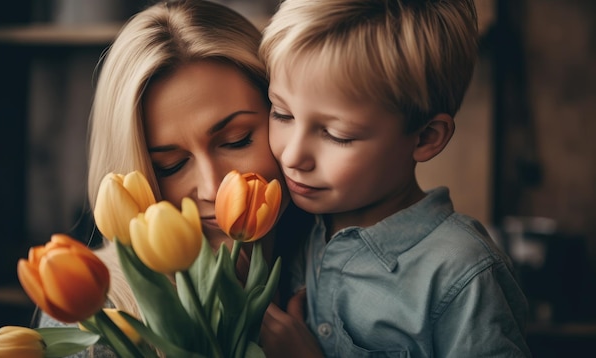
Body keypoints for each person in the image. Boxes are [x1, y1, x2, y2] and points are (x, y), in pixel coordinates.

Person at [37, 1, 313, 357]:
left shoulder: (338, 264)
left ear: (284, 116)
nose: (213, 189)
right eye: (170, 165)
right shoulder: (94, 312)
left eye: (236, 140)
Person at [259, 0, 532, 357]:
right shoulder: (294, 230)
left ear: (426, 137)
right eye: (282, 114)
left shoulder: (461, 274)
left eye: (338, 135)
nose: (292, 156)